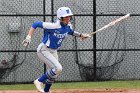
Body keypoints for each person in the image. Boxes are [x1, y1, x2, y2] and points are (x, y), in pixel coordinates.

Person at [22, 7, 91, 93]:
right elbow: (35, 24)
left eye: (69, 16)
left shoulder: (68, 25)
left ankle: (46, 91)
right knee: (58, 68)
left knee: (55, 73)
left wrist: (81, 35)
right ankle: (39, 81)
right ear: (60, 18)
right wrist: (28, 37)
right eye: (66, 17)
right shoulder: (54, 26)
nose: (68, 18)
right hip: (44, 50)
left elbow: (70, 31)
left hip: (53, 51)